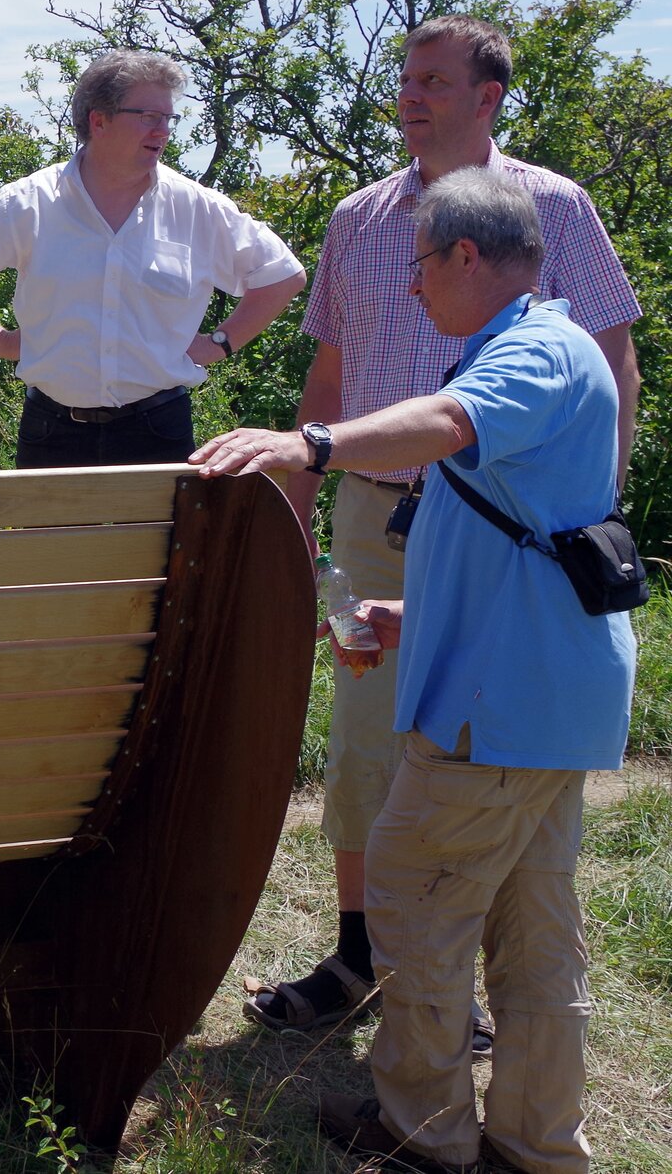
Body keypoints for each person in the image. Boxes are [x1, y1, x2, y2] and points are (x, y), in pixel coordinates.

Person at [193, 167, 634, 1174]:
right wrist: (408, 611)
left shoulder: (524, 354)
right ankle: (530, 1145)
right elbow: (521, 527)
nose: (409, 286)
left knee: (409, 901)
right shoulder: (543, 346)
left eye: (420, 263)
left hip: (497, 704)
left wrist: (305, 445)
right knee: (531, 933)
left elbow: (443, 425)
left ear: (466, 257)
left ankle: (424, 1139)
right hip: (542, 694)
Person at [249, 16, 641, 1043]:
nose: (409, 95)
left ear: (488, 96)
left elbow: (611, 356)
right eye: (403, 78)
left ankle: (449, 989)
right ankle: (358, 957)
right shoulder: (357, 218)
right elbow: (326, 377)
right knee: (368, 742)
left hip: (511, 530)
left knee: (481, 743)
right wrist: (301, 511)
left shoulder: (549, 207)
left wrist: (591, 507)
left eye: (432, 80)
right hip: (376, 511)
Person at [0, 50, 304, 467]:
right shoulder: (28, 204)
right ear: (99, 120)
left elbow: (282, 276)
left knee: (156, 538)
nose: (163, 130)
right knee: (50, 535)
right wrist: (2, 342)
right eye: (149, 116)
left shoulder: (195, 207)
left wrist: (220, 343)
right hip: (51, 433)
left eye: (169, 118)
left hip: (159, 429)